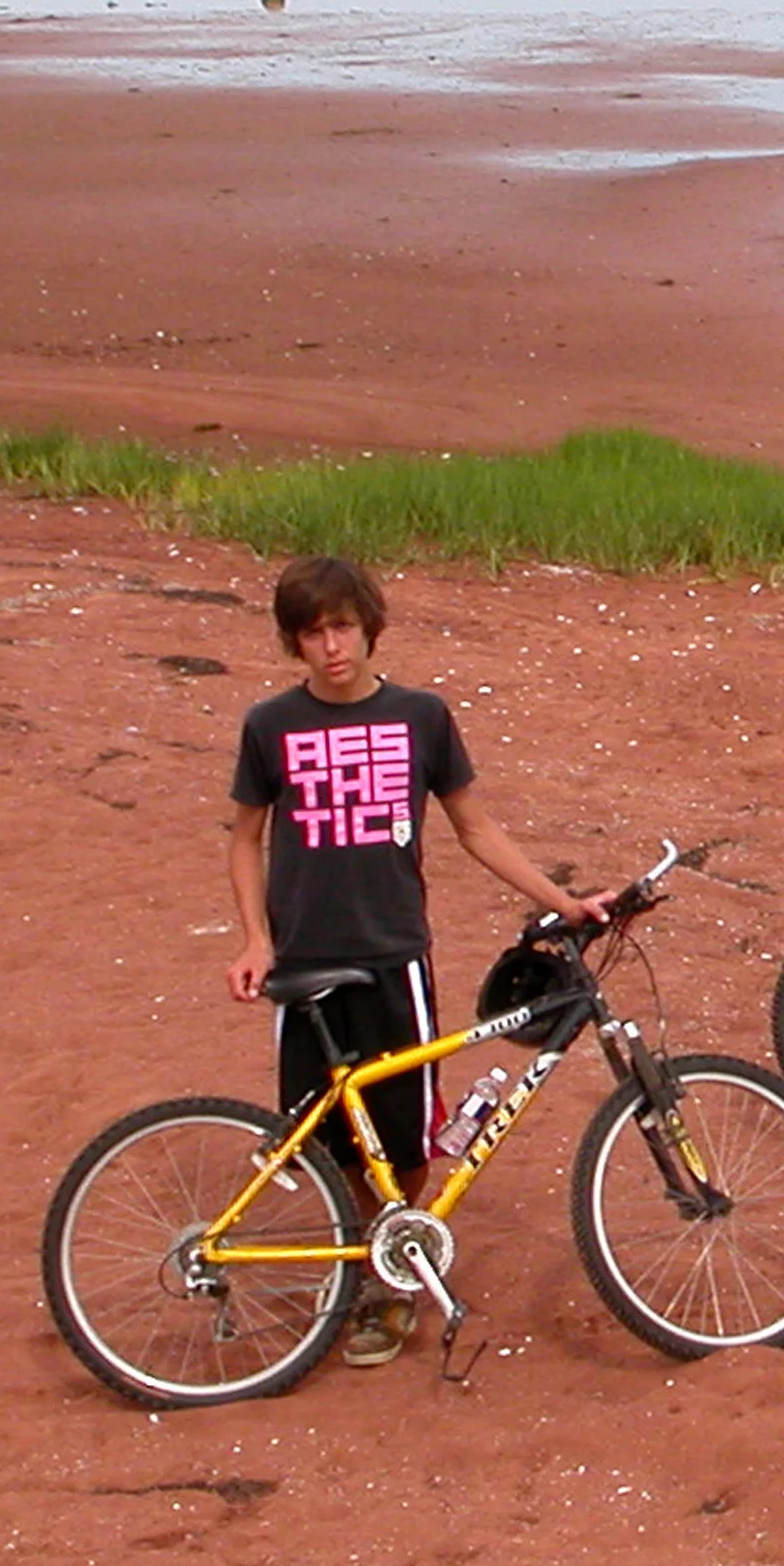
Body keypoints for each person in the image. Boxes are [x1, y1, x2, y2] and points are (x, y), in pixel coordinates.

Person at [225, 555, 604, 1368]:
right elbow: (245, 839)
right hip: (307, 963)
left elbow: (475, 827)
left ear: (370, 628)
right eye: (313, 632)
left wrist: (562, 901)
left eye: (343, 627)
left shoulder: (421, 718)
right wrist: (257, 940)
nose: (331, 646)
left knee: (402, 1140)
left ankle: (385, 1279)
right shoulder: (270, 726)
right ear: (294, 641)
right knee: (323, 1140)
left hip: (394, 956)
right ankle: (365, 1260)